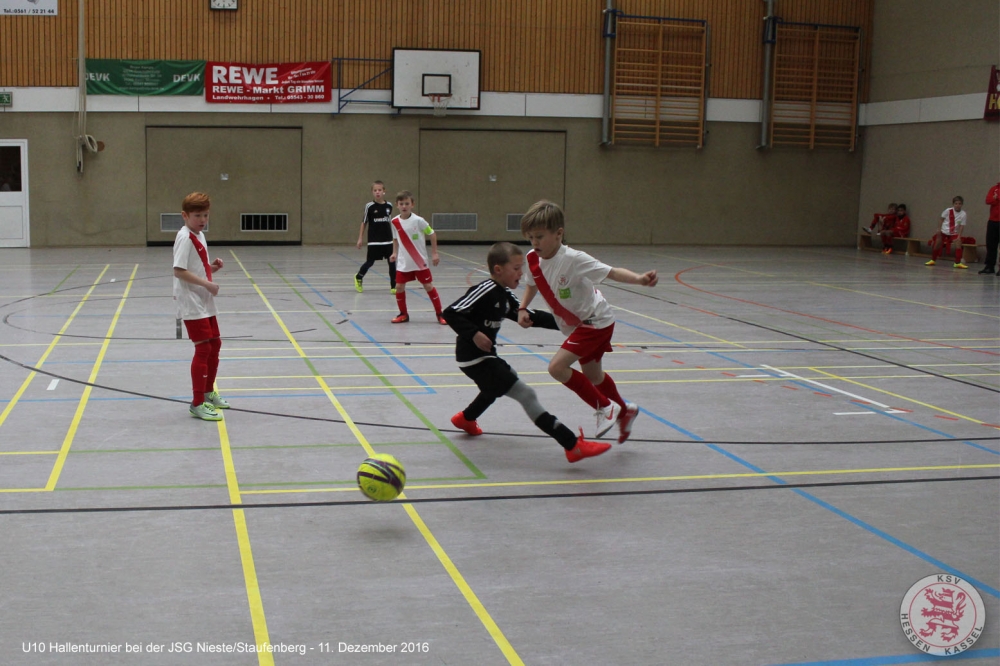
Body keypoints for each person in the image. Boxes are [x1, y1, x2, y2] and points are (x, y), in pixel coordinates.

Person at [442, 242, 612, 463]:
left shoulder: (504, 295)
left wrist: (571, 323)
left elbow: (529, 316)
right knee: (525, 394)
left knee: (497, 385)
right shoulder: (484, 290)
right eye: (516, 268)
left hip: (487, 357)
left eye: (521, 267)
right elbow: (451, 312)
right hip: (473, 359)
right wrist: (474, 334)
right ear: (498, 269)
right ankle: (572, 445)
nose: (521, 273)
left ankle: (465, 418)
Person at [517, 200, 658, 441]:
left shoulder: (574, 259)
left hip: (595, 322)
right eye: (530, 237)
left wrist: (639, 279)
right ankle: (625, 410)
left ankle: (606, 407)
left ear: (558, 233)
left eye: (539, 236)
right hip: (577, 324)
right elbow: (532, 283)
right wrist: (522, 308)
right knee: (593, 376)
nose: (534, 242)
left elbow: (611, 272)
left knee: (556, 368)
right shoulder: (532, 259)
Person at [172, 192, 229, 421]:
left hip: (203, 298)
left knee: (215, 344)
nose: (202, 220)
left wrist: (211, 268)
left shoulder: (199, 235)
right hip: (191, 300)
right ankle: (197, 403)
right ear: (185, 215)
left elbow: (195, 267)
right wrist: (207, 283)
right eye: (197, 216)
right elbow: (179, 270)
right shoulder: (185, 237)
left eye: (205, 215)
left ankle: (207, 392)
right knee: (203, 348)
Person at [388, 191, 446, 324]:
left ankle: (440, 314)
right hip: (404, 262)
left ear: (412, 205)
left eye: (407, 203)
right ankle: (403, 314)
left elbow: (432, 234)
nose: (404, 206)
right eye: (401, 204)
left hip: (419, 261)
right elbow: (395, 238)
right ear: (397, 205)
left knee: (428, 286)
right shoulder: (394, 222)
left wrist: (434, 253)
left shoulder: (419, 221)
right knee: (399, 287)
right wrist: (394, 252)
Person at [353, 180, 396, 294]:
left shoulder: (389, 205)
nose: (377, 192)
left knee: (392, 263)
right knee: (370, 262)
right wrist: (360, 238)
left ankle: (393, 286)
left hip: (388, 240)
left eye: (379, 190)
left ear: (384, 191)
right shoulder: (369, 206)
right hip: (374, 240)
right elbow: (364, 222)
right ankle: (358, 277)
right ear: (372, 192)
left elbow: (390, 222)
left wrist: (395, 237)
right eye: (375, 190)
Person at [926, 196, 968, 269]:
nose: (957, 205)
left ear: (962, 204)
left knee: (958, 243)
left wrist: (959, 236)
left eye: (959, 203)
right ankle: (933, 260)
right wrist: (939, 229)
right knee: (937, 244)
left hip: (954, 233)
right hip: (944, 231)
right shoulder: (948, 211)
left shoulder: (963, 214)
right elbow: (941, 219)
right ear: (953, 204)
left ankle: (957, 263)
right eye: (956, 203)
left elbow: (962, 226)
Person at [979, 182, 1000, 275]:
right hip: (992, 221)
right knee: (991, 244)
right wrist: (995, 199)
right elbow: (988, 200)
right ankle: (989, 266)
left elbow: (994, 200)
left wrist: (996, 198)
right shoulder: (994, 188)